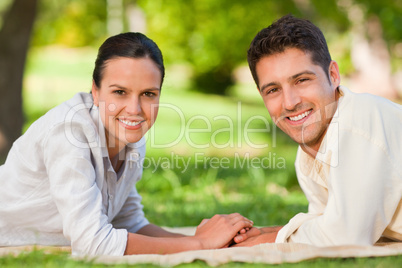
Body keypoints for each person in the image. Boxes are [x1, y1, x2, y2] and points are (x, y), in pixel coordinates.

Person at [0, 32, 253, 256]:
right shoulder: (68, 133)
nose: (134, 109)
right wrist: (200, 245)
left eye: (148, 94)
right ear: (95, 92)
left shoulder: (130, 138)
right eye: (120, 92)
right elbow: (93, 244)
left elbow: (127, 222)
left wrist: (205, 241)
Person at [233, 14, 402, 247]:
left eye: (301, 80)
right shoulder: (308, 155)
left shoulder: (358, 123)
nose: (290, 102)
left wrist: (271, 238)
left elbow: (345, 237)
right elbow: (325, 222)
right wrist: (265, 232)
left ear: (333, 75)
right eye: (273, 90)